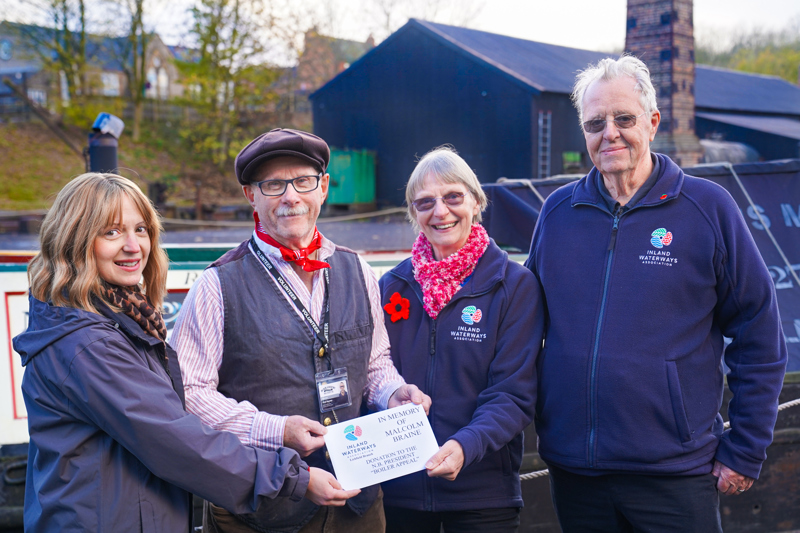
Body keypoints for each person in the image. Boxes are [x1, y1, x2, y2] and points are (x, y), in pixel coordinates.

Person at [524, 55, 788, 532]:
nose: (610, 133)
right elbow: (520, 325)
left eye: (624, 119)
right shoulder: (558, 213)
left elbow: (759, 332)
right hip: (575, 472)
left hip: (674, 474)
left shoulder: (707, 208)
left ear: (652, 122)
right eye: (595, 123)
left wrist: (746, 449)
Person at [13, 173, 356, 533]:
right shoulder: (89, 345)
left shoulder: (116, 320)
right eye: (111, 232)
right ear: (75, 241)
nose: (133, 246)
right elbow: (175, 440)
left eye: (141, 230)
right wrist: (292, 477)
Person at [171, 128, 431, 533]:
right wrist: (275, 430)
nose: (290, 196)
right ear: (251, 196)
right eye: (273, 185)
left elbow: (375, 363)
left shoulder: (358, 270)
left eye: (303, 181)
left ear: (323, 188)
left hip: (358, 507)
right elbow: (189, 393)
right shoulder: (216, 285)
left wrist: (393, 393)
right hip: (262, 511)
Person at [378, 146, 544, 532]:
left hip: (481, 495)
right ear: (413, 213)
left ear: (476, 202)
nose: (440, 211)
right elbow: (374, 375)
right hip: (400, 493)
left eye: (453, 197)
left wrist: (465, 446)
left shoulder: (513, 285)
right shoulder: (391, 285)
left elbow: (514, 394)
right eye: (425, 202)